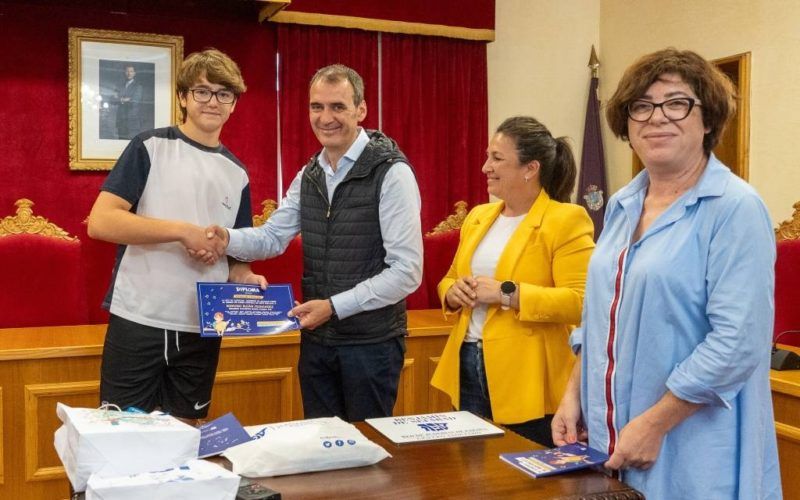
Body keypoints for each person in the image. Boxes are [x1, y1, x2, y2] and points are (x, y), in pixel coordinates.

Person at [552, 48, 781, 499]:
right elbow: (602, 313)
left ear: (708, 119)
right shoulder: (621, 206)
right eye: (642, 105)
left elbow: (737, 342)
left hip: (691, 444)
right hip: (610, 435)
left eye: (677, 103)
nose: (657, 117)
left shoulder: (735, 208)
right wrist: (573, 394)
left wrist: (656, 423)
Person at [204, 64, 423, 422]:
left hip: (370, 345)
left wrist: (333, 307)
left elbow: (406, 273)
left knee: (365, 461)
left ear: (361, 110)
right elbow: (273, 237)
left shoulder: (392, 173)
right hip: (318, 342)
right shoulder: (311, 173)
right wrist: (224, 238)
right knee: (322, 452)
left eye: (338, 106)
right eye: (316, 107)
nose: (326, 118)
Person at [87, 49, 264, 423]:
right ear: (183, 97)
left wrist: (246, 278)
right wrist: (183, 233)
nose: (212, 101)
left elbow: (235, 257)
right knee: (121, 438)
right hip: (139, 318)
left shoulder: (238, 172)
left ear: (234, 104)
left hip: (203, 325)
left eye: (223, 93)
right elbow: (101, 222)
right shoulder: (149, 146)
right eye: (202, 91)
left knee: (187, 437)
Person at [430, 116, 595, 446]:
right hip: (467, 365)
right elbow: (449, 279)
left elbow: (581, 303)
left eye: (497, 158)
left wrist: (508, 293)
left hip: (529, 379)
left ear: (530, 168)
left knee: (523, 481)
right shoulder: (478, 217)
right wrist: (453, 292)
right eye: (488, 156)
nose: (485, 166)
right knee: (467, 472)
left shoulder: (566, 219)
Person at [116, 64, 143, 139]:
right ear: (124, 72)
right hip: (121, 120)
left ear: (134, 73)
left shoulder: (138, 86)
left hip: (132, 121)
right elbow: (114, 98)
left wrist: (121, 99)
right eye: (127, 71)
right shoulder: (120, 85)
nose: (129, 73)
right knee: (120, 142)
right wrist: (126, 99)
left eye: (131, 71)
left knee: (131, 144)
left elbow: (135, 101)